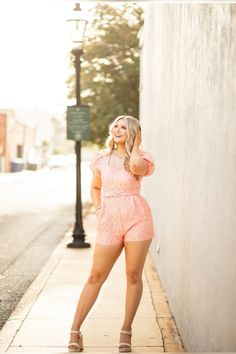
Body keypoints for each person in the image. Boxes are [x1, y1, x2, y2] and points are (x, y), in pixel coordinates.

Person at [68, 115, 155, 353]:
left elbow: (137, 168)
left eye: (124, 127)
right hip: (109, 221)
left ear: (134, 133)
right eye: (115, 125)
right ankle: (75, 330)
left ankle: (126, 331)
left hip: (137, 217)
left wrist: (136, 145)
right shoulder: (101, 159)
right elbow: (96, 187)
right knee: (96, 276)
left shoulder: (142, 158)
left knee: (133, 275)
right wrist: (98, 208)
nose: (117, 129)